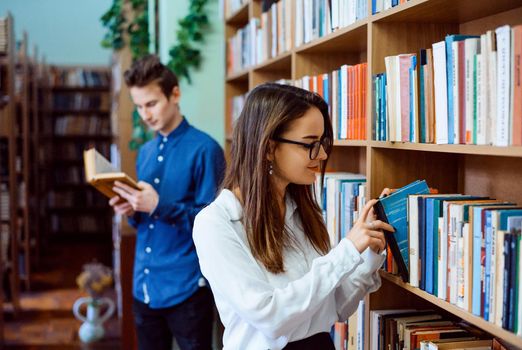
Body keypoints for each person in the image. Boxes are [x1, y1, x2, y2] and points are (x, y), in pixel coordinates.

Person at [193, 83, 394, 349]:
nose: (321, 155)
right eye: (310, 144)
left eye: (323, 143)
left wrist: (369, 252)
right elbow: (271, 318)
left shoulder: (302, 211)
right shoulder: (215, 224)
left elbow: (335, 307)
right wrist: (347, 250)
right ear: (267, 148)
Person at [109, 54, 225, 350]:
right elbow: (145, 220)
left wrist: (158, 205)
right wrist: (132, 209)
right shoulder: (146, 152)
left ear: (175, 94)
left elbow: (215, 227)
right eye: (138, 106)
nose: (145, 115)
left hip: (187, 289)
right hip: (144, 284)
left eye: (151, 104)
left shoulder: (206, 149)